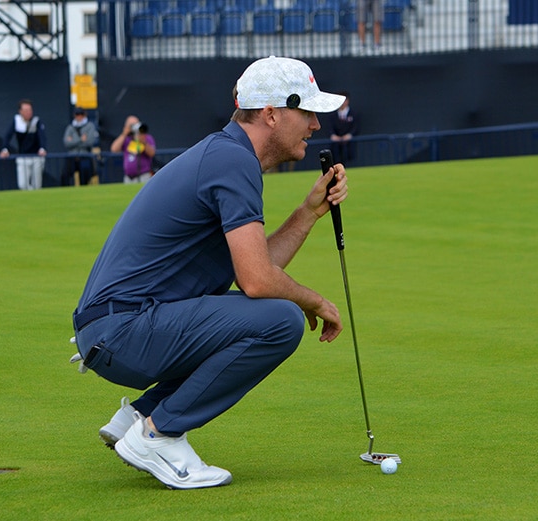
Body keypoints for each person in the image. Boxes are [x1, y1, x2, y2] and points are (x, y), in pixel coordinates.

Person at [71, 56, 348, 490]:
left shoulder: (226, 154)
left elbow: (254, 269)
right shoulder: (232, 161)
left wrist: (308, 213)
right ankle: (157, 435)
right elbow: (257, 282)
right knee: (282, 320)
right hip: (122, 331)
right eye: (307, 111)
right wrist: (314, 300)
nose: (315, 125)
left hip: (114, 327)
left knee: (267, 313)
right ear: (272, 114)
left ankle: (142, 415)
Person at [0, 99, 47, 190]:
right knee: (22, 185)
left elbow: (42, 137)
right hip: (22, 156)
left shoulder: (36, 121)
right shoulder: (16, 120)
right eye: (25, 110)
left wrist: (42, 148)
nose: (28, 112)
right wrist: (5, 149)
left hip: (36, 157)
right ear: (20, 111)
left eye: (30, 110)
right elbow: (8, 136)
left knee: (37, 185)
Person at [110, 115, 156, 183]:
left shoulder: (146, 137)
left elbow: (152, 153)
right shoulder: (126, 139)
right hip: (128, 177)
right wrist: (124, 134)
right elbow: (114, 149)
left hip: (143, 175)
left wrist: (143, 142)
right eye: (132, 125)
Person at [61, 107, 99, 186]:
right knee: (65, 175)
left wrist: (73, 140)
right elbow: (66, 143)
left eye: (81, 114)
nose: (79, 117)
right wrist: (80, 139)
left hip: (84, 155)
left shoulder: (90, 126)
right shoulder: (70, 127)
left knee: (85, 176)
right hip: (72, 156)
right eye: (77, 114)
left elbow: (90, 142)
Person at [329, 92, 360, 165]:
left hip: (349, 145)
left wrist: (349, 135)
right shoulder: (333, 115)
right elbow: (330, 128)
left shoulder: (354, 114)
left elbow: (356, 127)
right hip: (336, 146)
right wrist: (333, 136)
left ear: (347, 101)